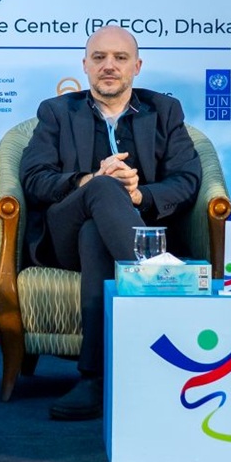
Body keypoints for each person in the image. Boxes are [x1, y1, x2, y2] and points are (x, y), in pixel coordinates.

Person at [21, 25, 202, 421]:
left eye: (120, 58)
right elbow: (34, 178)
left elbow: (188, 179)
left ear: (136, 67)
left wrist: (139, 196)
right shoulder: (56, 112)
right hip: (62, 237)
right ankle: (160, 279)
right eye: (99, 58)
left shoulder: (164, 111)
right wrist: (89, 181)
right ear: (84, 66)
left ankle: (93, 378)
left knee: (96, 233)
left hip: (114, 236)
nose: (109, 66)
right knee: (102, 191)